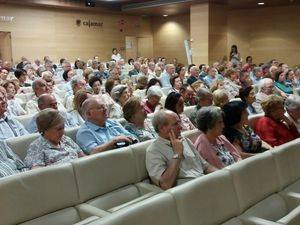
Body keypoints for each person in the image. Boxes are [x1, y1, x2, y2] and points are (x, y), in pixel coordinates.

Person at [146, 110, 217, 190]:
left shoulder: (185, 140)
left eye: (179, 122)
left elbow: (205, 167)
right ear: (162, 128)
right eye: (176, 124)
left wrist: (222, 175)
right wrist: (177, 154)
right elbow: (165, 184)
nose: (181, 127)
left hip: (204, 183)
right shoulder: (153, 151)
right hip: (186, 191)